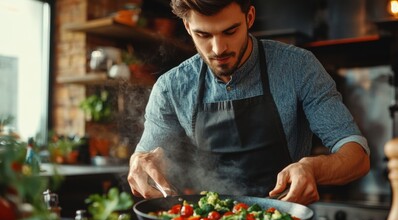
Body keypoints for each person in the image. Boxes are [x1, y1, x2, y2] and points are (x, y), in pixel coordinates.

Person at [127, 0, 370, 206]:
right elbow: (148, 157)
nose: (218, 48)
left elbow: (357, 155)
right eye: (204, 34)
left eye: (230, 31)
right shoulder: (171, 87)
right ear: (188, 26)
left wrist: (312, 168)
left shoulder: (298, 67)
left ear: (249, 17)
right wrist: (140, 163)